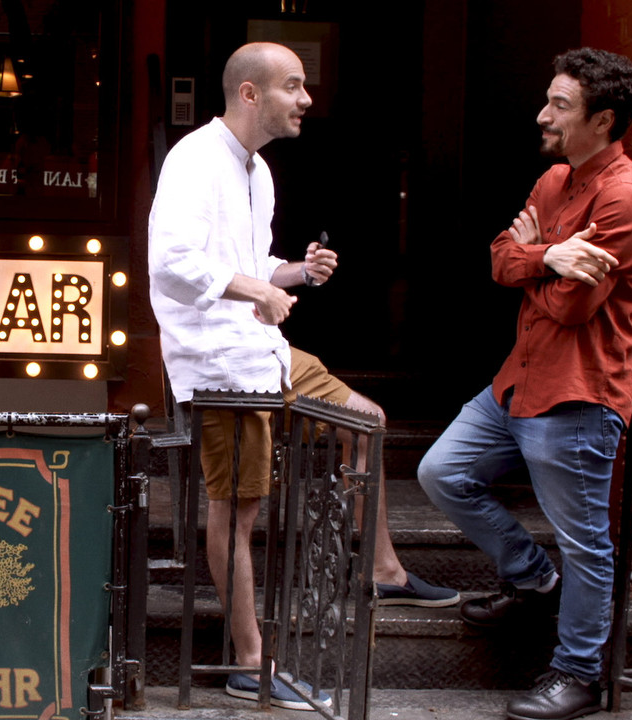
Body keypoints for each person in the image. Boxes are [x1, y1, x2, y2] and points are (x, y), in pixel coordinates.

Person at [148, 41, 458, 711]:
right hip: (219, 367)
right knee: (239, 507)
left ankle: (383, 571)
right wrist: (254, 291)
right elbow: (171, 262)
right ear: (252, 93)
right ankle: (248, 661)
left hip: (264, 348)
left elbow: (251, 261)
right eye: (294, 86)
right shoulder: (194, 160)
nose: (308, 99)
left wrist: (291, 273)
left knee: (366, 421)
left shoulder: (257, 171)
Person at [417, 48, 632, 720]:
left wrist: (535, 270)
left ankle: (576, 674)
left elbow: (573, 307)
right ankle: (532, 578)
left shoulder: (627, 198)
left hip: (578, 397)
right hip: (516, 384)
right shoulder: (555, 180)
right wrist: (547, 256)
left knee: (586, 540)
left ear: (604, 119)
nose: (542, 115)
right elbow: (498, 260)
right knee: (442, 472)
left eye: (560, 105)